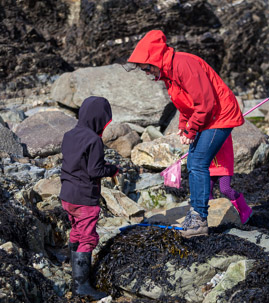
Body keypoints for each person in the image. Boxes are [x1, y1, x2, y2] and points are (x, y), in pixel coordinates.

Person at [127, 30, 244, 238]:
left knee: (198, 162)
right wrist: (183, 127)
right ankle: (196, 214)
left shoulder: (183, 64)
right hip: (208, 117)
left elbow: (205, 103)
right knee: (192, 163)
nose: (146, 73)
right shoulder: (169, 74)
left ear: (154, 59)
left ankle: (199, 219)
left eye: (145, 68)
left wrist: (192, 130)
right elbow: (184, 104)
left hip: (220, 115)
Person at [59, 96, 118, 300]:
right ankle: (81, 285)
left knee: (76, 230)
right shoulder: (94, 140)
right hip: (84, 198)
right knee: (87, 237)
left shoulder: (69, 134)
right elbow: (95, 171)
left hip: (67, 195)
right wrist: (112, 169)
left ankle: (71, 264)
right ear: (99, 120)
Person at [209, 134, 253, 224]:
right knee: (206, 190)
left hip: (224, 163)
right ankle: (212, 214)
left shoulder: (223, 127)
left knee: (225, 189)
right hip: (210, 164)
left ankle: (244, 209)